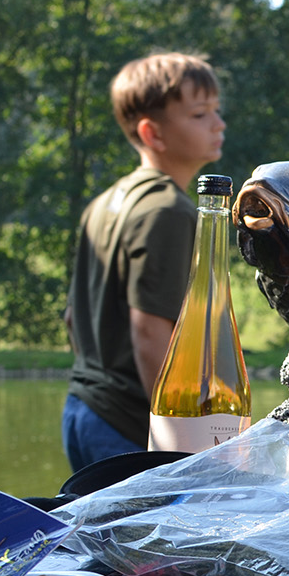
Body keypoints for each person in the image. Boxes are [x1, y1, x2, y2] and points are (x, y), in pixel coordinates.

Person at [61, 52, 226, 472]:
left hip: (82, 412)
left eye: (216, 110)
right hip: (129, 428)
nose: (218, 124)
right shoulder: (168, 211)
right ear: (152, 133)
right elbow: (151, 334)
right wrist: (179, 445)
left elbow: (72, 320)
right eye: (199, 113)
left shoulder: (104, 203)